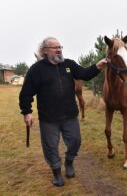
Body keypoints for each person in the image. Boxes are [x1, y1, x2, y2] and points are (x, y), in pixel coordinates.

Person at [19, 37, 108, 186]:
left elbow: (84, 74)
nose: (59, 49)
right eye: (55, 47)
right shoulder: (37, 70)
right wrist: (27, 111)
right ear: (45, 51)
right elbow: (26, 93)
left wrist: (97, 66)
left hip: (69, 115)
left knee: (75, 141)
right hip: (49, 118)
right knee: (51, 147)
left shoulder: (69, 65)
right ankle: (56, 172)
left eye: (60, 47)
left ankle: (69, 162)